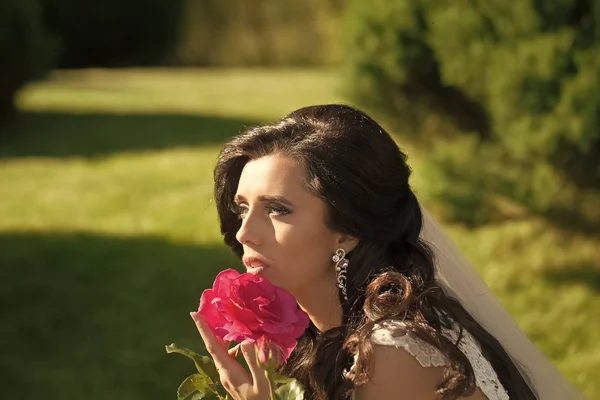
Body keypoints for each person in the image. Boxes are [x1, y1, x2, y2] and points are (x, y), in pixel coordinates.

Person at [192, 104, 585, 399]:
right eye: (243, 208)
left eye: (277, 209)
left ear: (346, 231)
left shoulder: (390, 353)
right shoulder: (331, 331)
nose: (245, 232)